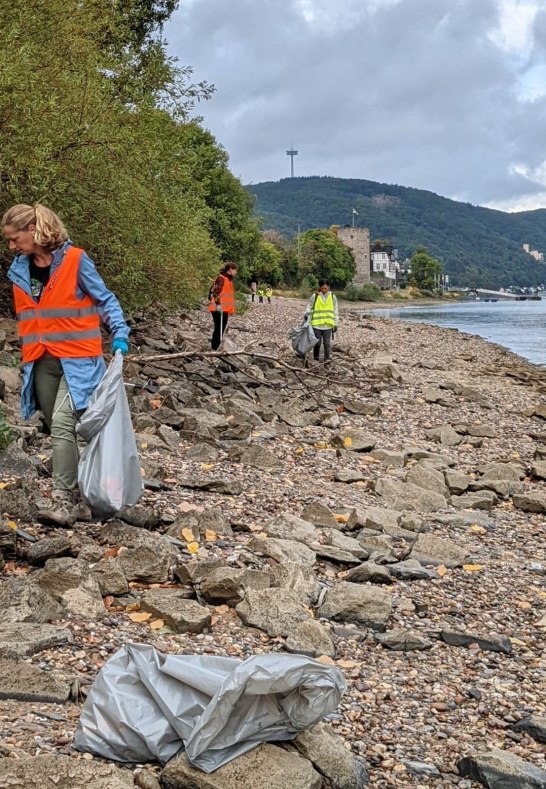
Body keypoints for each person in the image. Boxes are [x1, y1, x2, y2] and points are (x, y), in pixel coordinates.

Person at [2, 203, 130, 520]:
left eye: (14, 239)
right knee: (54, 424)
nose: (11, 247)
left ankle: (64, 496)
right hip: (40, 360)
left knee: (62, 423)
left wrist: (119, 334)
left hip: (80, 359)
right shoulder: (19, 269)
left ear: (33, 231)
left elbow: (106, 299)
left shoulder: (75, 260)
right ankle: (86, 480)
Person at [304, 279, 339, 364]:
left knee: (327, 344)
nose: (324, 290)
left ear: (328, 287)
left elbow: (335, 310)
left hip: (328, 325)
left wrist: (336, 323)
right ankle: (316, 360)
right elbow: (310, 307)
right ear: (320, 287)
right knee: (317, 343)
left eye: (326, 288)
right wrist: (306, 314)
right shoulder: (315, 296)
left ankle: (327, 361)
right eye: (322, 288)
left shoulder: (332, 297)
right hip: (317, 324)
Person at [208, 262, 237, 350]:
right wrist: (218, 306)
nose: (236, 272)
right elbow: (215, 293)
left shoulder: (228, 279)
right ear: (230, 269)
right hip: (218, 307)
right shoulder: (221, 278)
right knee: (219, 328)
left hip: (224, 308)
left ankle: (215, 346)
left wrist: (230, 310)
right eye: (235, 270)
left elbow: (228, 296)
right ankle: (214, 347)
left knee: (220, 327)